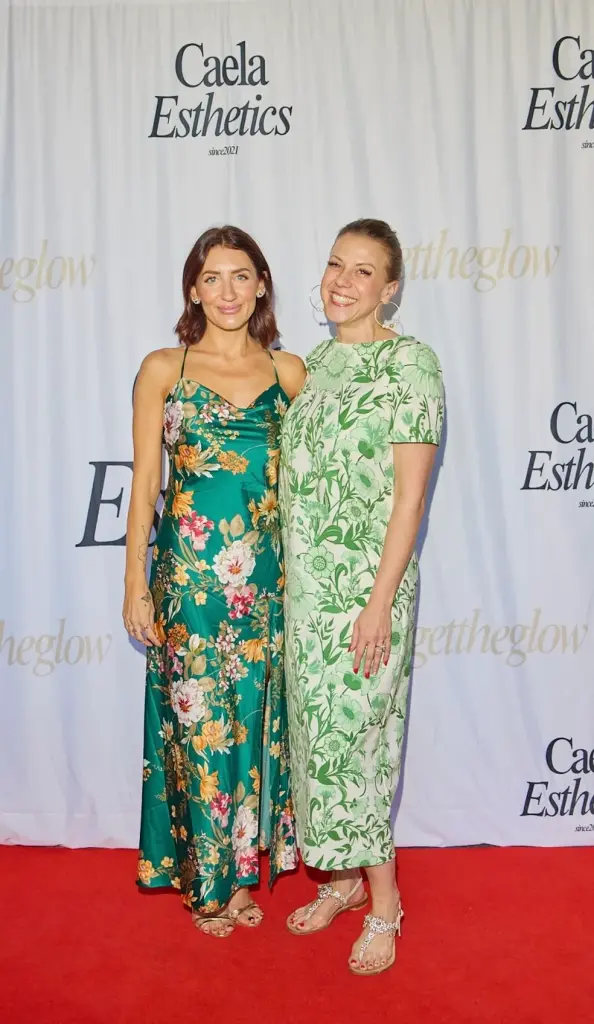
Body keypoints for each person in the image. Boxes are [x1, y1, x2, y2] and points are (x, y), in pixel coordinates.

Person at [123, 225, 306, 937]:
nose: (227, 291)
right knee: (200, 728)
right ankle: (210, 883)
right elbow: (146, 483)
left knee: (250, 725)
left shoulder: (289, 373)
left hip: (266, 585)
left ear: (261, 285)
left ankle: (239, 871)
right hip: (189, 584)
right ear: (193, 291)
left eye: (240, 276)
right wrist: (135, 584)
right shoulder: (163, 368)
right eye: (211, 278)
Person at [279, 218, 444, 975]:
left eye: (363, 271)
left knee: (360, 746)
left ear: (391, 288)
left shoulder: (412, 365)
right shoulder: (315, 365)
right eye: (335, 265)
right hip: (307, 596)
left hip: (366, 595)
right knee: (319, 746)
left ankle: (384, 903)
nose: (342, 282)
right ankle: (342, 880)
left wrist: (378, 604)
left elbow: (410, 499)